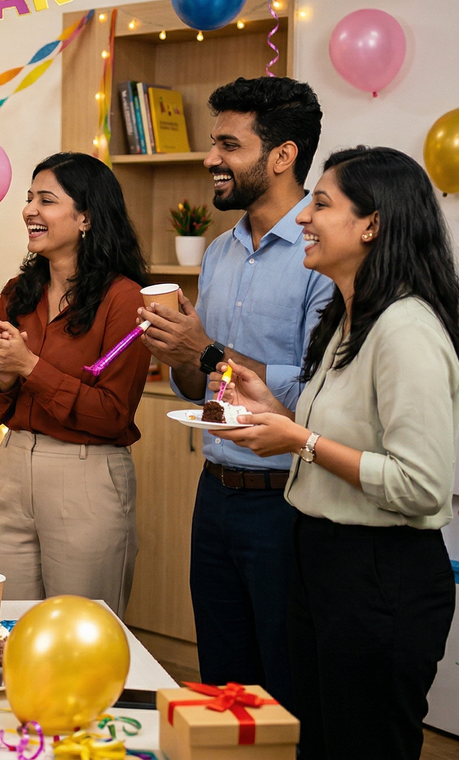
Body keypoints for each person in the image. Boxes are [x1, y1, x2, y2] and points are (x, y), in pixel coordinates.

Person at [211, 146, 459, 759]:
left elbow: (420, 486)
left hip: (380, 571)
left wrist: (300, 440)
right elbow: (346, 435)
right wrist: (279, 414)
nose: (303, 216)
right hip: (320, 558)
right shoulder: (348, 319)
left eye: (321, 204)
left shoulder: (406, 329)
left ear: (371, 225)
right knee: (319, 741)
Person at [138, 76, 333, 707]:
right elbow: (198, 384)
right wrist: (179, 352)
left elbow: (319, 389)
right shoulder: (219, 251)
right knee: (221, 685)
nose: (210, 159)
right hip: (216, 494)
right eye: (212, 142)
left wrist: (207, 351)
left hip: (288, 502)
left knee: (285, 686)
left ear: (282, 156)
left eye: (229, 145)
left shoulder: (321, 252)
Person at [0, 152, 151, 616]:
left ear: (86, 217)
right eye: (29, 198)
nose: (29, 210)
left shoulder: (125, 299)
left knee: (78, 632)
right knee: (4, 627)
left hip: (86, 475)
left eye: (46, 201)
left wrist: (30, 367)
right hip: (11, 468)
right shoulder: (17, 292)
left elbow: (112, 415)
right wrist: (5, 378)